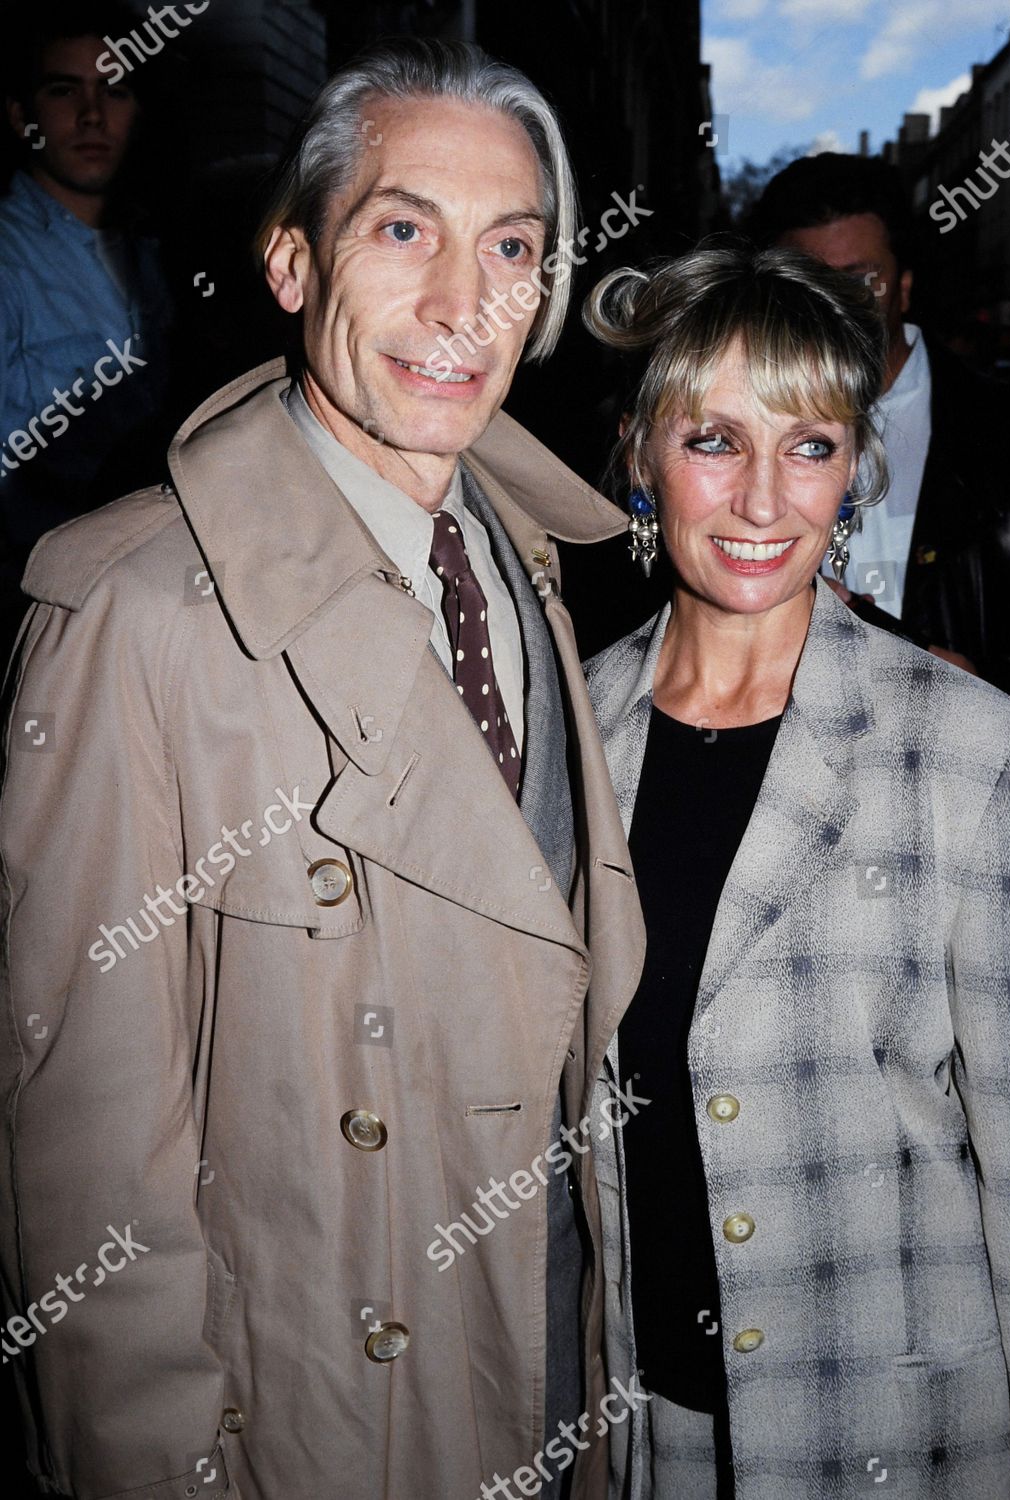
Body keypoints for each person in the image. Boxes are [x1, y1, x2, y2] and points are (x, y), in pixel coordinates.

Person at [0, 39, 645, 1500]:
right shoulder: (132, 615)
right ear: (292, 265)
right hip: (330, 1428)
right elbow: (87, 1162)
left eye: (511, 248)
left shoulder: (535, 561)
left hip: (552, 1367)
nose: (457, 304)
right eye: (401, 230)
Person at [582, 241, 1010, 1499]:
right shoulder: (564, 740)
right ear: (638, 454)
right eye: (713, 440)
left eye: (810, 445)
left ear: (853, 469)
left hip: (898, 1434)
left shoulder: (965, 750)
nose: (764, 501)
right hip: (638, 1428)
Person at [749, 152, 1010, 695]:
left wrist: (983, 693)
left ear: (906, 285)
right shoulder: (727, 432)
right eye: (807, 284)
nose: (835, 307)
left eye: (861, 280)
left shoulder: (1001, 429)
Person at [0, 0, 174, 659]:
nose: (93, 115)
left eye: (116, 90)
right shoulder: (10, 263)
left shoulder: (158, 257)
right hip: (36, 613)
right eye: (63, 90)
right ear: (22, 116)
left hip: (150, 607)